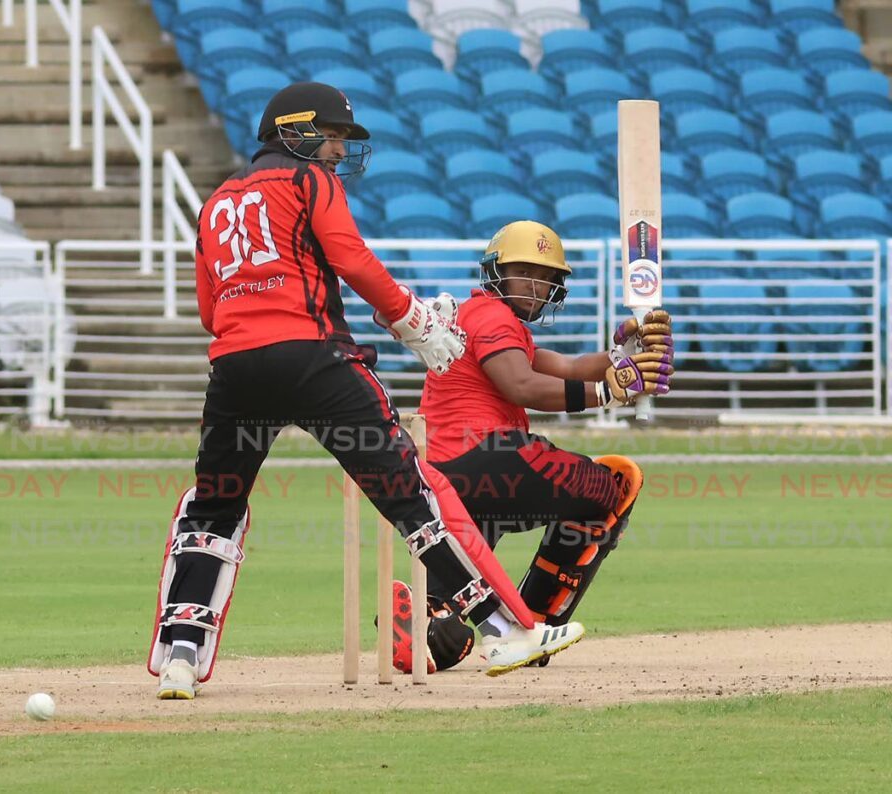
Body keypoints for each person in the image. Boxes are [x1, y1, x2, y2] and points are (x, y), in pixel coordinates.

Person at [148, 84, 586, 699]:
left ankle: (181, 658)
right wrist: (413, 322)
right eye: (331, 137)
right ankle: (500, 629)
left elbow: (206, 309)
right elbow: (352, 260)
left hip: (235, 370)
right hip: (315, 359)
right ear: (296, 133)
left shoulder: (216, 200)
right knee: (409, 490)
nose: (337, 151)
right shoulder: (309, 184)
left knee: (215, 507)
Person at [401, 220, 674, 672]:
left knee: (449, 622)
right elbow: (522, 386)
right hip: (490, 456)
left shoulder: (482, 318)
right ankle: (537, 621)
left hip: (444, 476)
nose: (538, 285)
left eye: (547, 277)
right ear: (496, 273)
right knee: (612, 486)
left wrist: (622, 357)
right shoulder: (492, 317)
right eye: (526, 272)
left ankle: (425, 622)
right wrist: (608, 392)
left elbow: (566, 366)